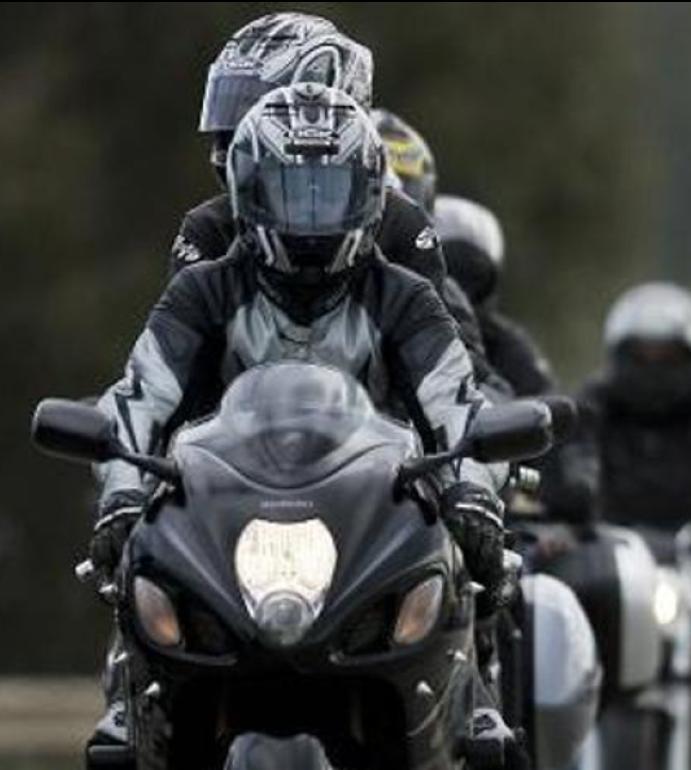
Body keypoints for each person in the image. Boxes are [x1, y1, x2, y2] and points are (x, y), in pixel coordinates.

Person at [91, 83, 514, 752]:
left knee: (483, 707)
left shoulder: (403, 296)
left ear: (372, 194)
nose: (311, 214)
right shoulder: (203, 290)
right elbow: (138, 398)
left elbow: (456, 400)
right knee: (138, 604)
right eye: (292, 190)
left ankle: (468, 710)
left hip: (377, 516)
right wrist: (120, 495)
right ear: (249, 192)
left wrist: (473, 490)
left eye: (331, 191)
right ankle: (133, 705)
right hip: (225, 515)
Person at [170, 13, 511, 397]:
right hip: (236, 450)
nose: (231, 141)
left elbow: (458, 380)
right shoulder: (207, 228)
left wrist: (481, 426)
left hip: (379, 451)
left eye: (249, 115)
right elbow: (173, 370)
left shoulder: (402, 226)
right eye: (229, 119)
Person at [552, 282, 691, 531]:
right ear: (620, 355)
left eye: (668, 358)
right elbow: (574, 454)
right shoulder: (596, 400)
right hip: (604, 543)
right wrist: (574, 494)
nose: (654, 369)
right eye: (641, 357)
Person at [433, 194, 556, 397]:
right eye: (446, 272)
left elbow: (544, 409)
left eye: (473, 277)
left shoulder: (507, 347)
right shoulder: (387, 314)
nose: (456, 292)